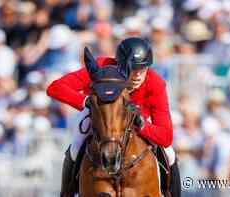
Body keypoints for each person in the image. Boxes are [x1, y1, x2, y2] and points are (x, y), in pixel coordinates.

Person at [46, 37, 181, 197]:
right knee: (76, 147)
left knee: (170, 153)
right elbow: (55, 88)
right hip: (99, 116)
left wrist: (143, 126)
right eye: (133, 68)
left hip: (138, 122)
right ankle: (67, 193)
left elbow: (166, 136)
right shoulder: (102, 68)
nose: (138, 75)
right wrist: (86, 101)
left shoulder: (156, 83)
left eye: (143, 69)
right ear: (121, 65)